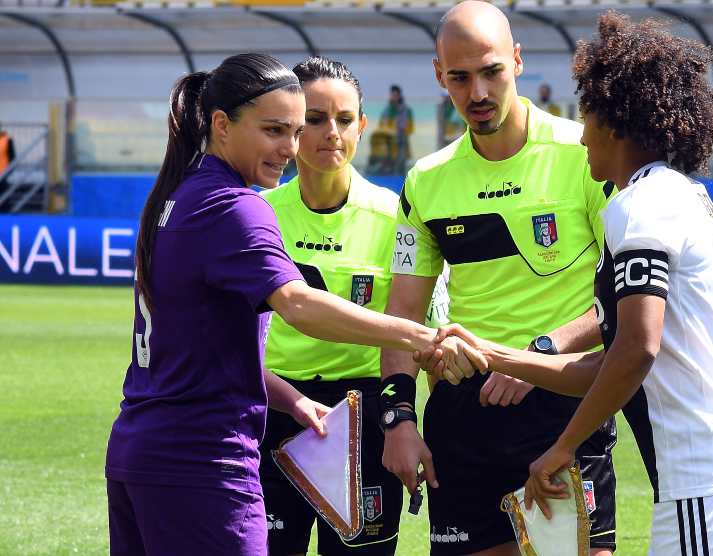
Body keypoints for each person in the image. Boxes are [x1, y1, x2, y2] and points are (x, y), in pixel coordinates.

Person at [104, 53, 484, 556]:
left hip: (145, 448)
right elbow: (299, 305)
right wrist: (419, 334)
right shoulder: (241, 208)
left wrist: (293, 400)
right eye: (275, 130)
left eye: (294, 129)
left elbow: (204, 345)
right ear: (221, 125)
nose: (291, 147)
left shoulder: (176, 200)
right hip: (204, 460)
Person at [430, 12, 713, 554]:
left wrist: (562, 447)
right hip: (701, 483)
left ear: (616, 121)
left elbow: (635, 351)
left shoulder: (640, 208)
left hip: (704, 483)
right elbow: (604, 364)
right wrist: (495, 354)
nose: (580, 130)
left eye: (588, 112)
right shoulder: (673, 194)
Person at [379, 2, 618, 555]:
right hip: (467, 414)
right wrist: (397, 418)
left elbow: (620, 295)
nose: (478, 93)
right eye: (459, 78)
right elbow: (402, 317)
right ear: (439, 75)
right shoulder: (426, 182)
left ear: (517, 60)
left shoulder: (585, 154)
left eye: (492, 71)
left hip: (563, 403)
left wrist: (536, 355)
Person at [260, 57, 443, 555]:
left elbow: (417, 331)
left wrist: (402, 421)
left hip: (364, 418)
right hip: (273, 412)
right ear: (294, 126)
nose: (331, 133)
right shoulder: (259, 216)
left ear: (362, 125)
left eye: (344, 120)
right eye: (315, 119)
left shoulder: (395, 216)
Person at [379, 85, 414, 175]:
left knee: (401, 169)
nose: (393, 97)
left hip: (401, 144)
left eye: (395, 95)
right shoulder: (386, 110)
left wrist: (400, 131)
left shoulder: (406, 110)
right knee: (388, 169)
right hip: (388, 145)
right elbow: (381, 127)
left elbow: (410, 128)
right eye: (392, 94)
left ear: (399, 96)